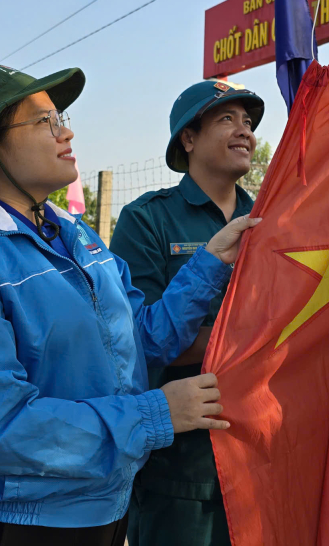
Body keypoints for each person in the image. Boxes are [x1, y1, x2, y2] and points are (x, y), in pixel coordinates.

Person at [0, 64, 258, 546]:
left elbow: (139, 342)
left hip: (101, 513)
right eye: (44, 122)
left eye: (59, 117)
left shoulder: (77, 239)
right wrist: (156, 413)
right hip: (15, 525)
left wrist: (210, 262)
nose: (67, 131)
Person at [108, 79, 264, 546]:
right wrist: (253, 342)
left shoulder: (271, 220)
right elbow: (142, 344)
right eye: (226, 119)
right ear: (189, 139)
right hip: (181, 471)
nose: (245, 131)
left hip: (260, 456)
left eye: (249, 122)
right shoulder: (147, 219)